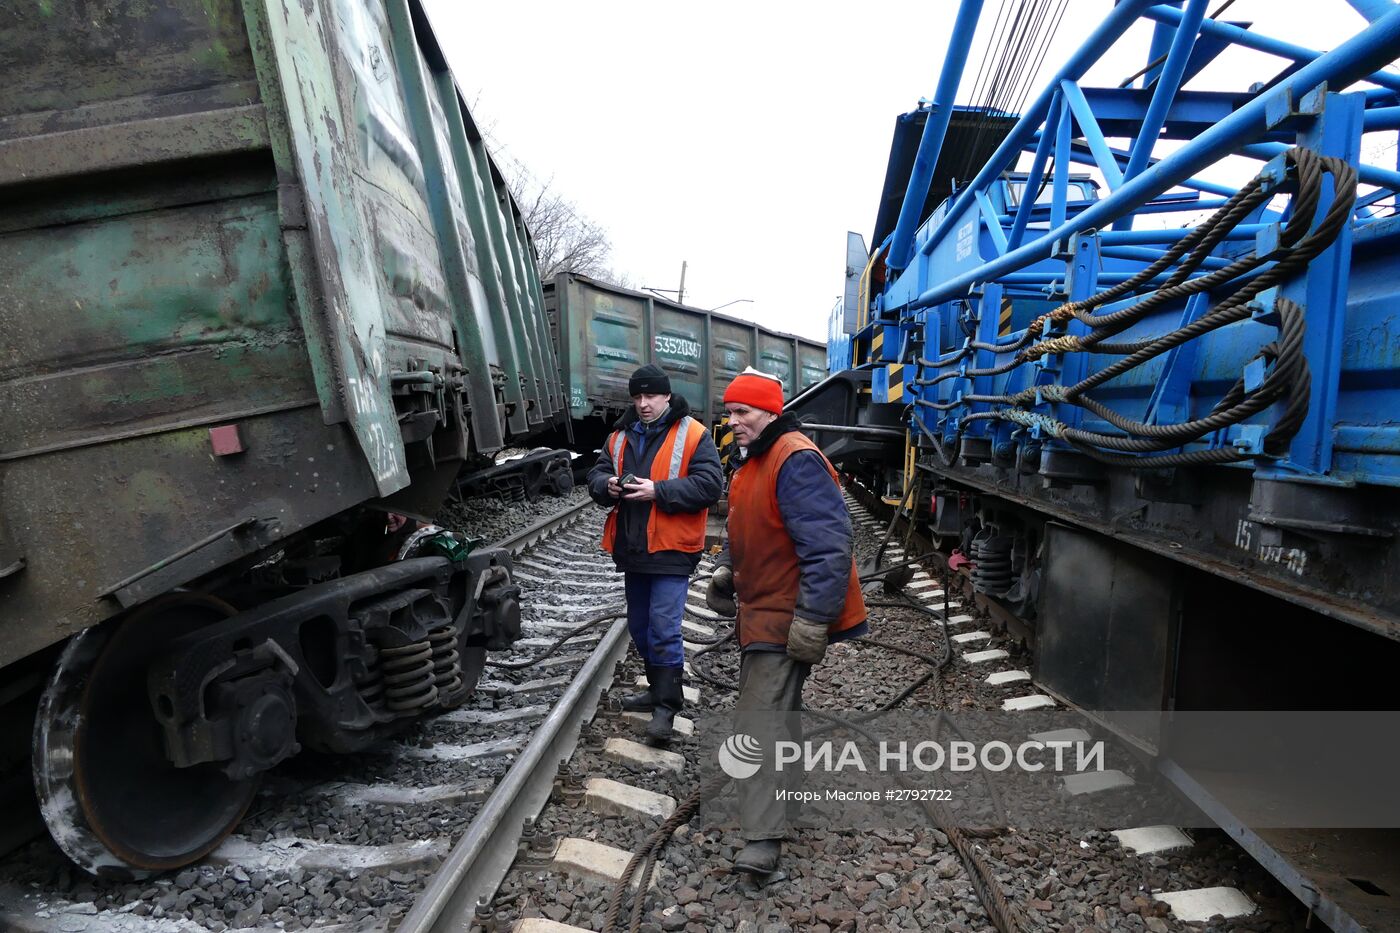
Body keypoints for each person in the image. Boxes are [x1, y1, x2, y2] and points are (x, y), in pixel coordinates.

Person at [706, 367, 868, 875]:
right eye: (730, 413)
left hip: (785, 615)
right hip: (763, 611)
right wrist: (728, 568)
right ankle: (785, 806)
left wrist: (813, 619)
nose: (734, 422)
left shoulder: (795, 460)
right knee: (780, 716)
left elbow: (828, 548)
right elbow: (745, 523)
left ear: (771, 412)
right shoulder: (753, 461)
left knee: (756, 723)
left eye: (743, 413)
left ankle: (762, 838)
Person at [588, 364, 723, 741]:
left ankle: (666, 706)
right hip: (634, 548)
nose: (644, 404)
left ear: (666, 396)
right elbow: (595, 475)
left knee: (663, 628)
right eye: (637, 397)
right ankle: (655, 690)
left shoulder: (694, 434)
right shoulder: (619, 436)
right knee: (641, 628)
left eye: (651, 396)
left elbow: (711, 485)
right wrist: (608, 485)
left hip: (672, 549)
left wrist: (658, 491)